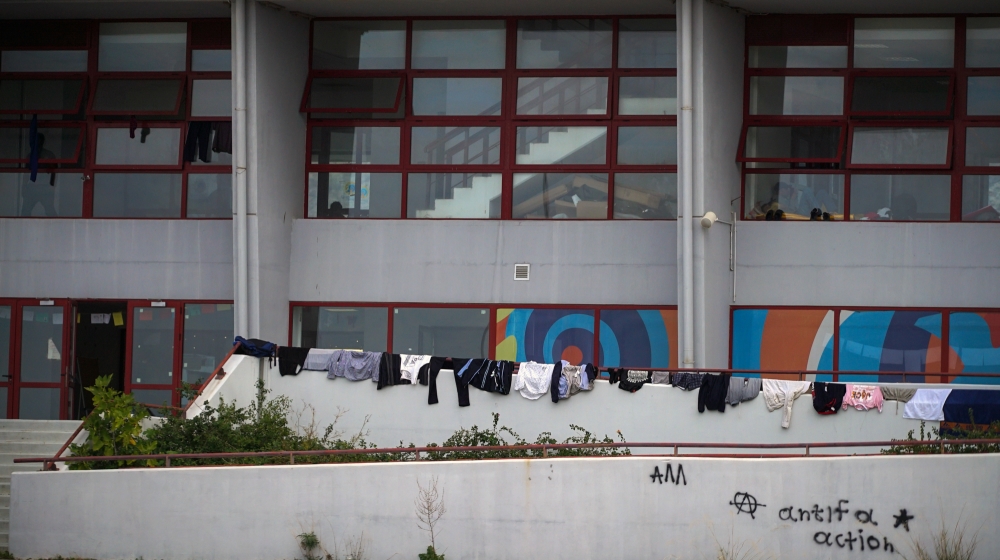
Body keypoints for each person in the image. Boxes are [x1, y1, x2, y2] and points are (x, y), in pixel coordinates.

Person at [19, 133, 58, 217]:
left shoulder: (49, 155)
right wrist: (24, 186)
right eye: (36, 140)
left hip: (45, 187)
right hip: (32, 187)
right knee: (25, 211)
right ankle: (23, 225)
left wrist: (52, 186)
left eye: (39, 140)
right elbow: (26, 173)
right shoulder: (30, 155)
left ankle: (57, 225)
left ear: (43, 141)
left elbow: (54, 172)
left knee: (50, 210)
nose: (38, 142)